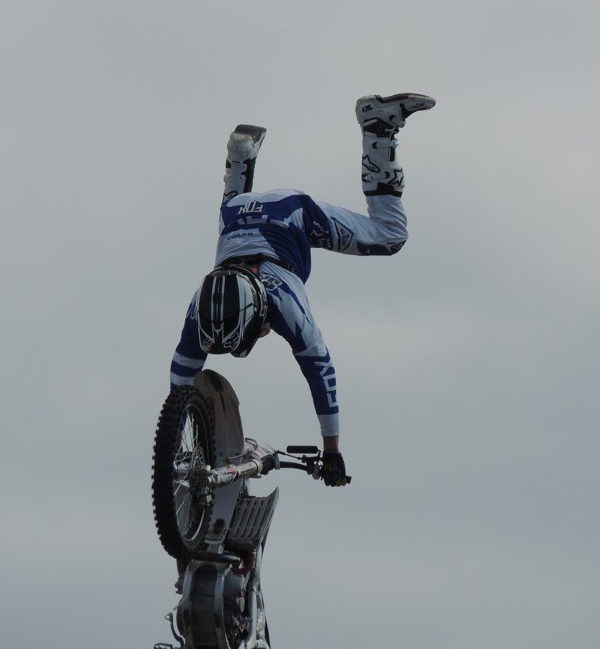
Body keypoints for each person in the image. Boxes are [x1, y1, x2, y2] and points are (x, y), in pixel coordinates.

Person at [169, 93, 435, 486]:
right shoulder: (200, 307)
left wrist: (332, 451)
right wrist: (171, 447)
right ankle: (239, 158)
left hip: (292, 214)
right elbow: (178, 386)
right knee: (229, 217)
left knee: (390, 235)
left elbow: (321, 369)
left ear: (261, 315)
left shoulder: (282, 302)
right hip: (235, 213)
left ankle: (379, 128)